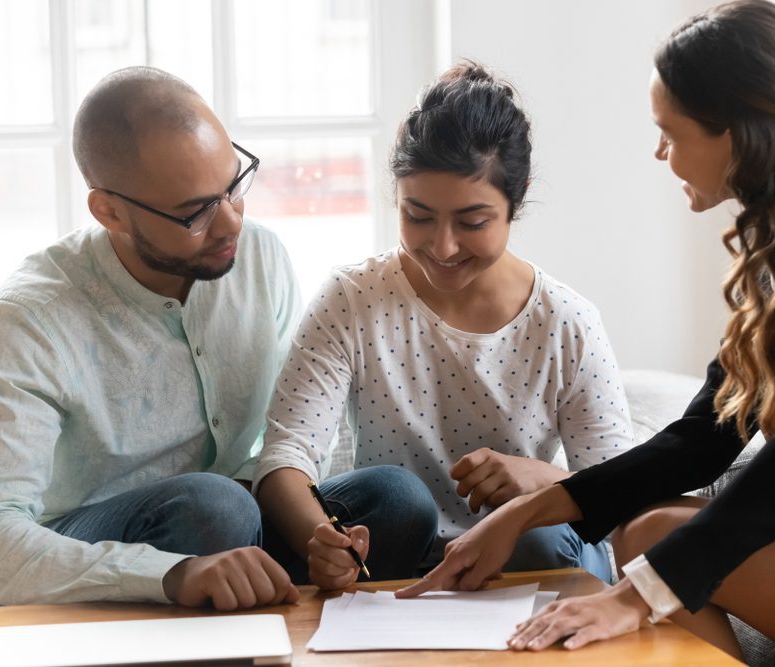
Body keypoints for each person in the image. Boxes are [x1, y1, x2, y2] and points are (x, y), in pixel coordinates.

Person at [396, 3, 775, 665]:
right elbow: (700, 441)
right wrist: (523, 513)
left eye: (670, 131)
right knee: (647, 525)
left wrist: (631, 599)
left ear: (736, 131)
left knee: (652, 537)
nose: (660, 150)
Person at [254, 62, 633, 591]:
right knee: (398, 497)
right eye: (419, 216)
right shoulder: (353, 298)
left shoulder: (567, 323)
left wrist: (542, 480)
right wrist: (322, 537)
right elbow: (286, 454)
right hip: (394, 553)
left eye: (472, 222)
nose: (444, 246)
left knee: (534, 532)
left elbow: (626, 492)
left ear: (516, 198)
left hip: (524, 559)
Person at [0, 66, 302, 610]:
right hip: (87, 558)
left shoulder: (260, 257)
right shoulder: (28, 319)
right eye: (196, 212)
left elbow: (286, 433)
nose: (232, 224)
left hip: (233, 529)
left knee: (392, 500)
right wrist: (170, 575)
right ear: (110, 211)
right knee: (214, 508)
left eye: (235, 185)